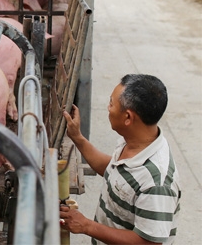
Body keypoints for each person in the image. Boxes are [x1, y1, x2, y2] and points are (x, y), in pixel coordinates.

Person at [60, 74, 180, 244]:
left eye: (111, 103)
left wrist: (87, 226)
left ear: (128, 118)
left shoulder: (156, 183)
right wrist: (77, 137)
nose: (108, 108)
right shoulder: (135, 140)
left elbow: (149, 242)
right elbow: (114, 172)